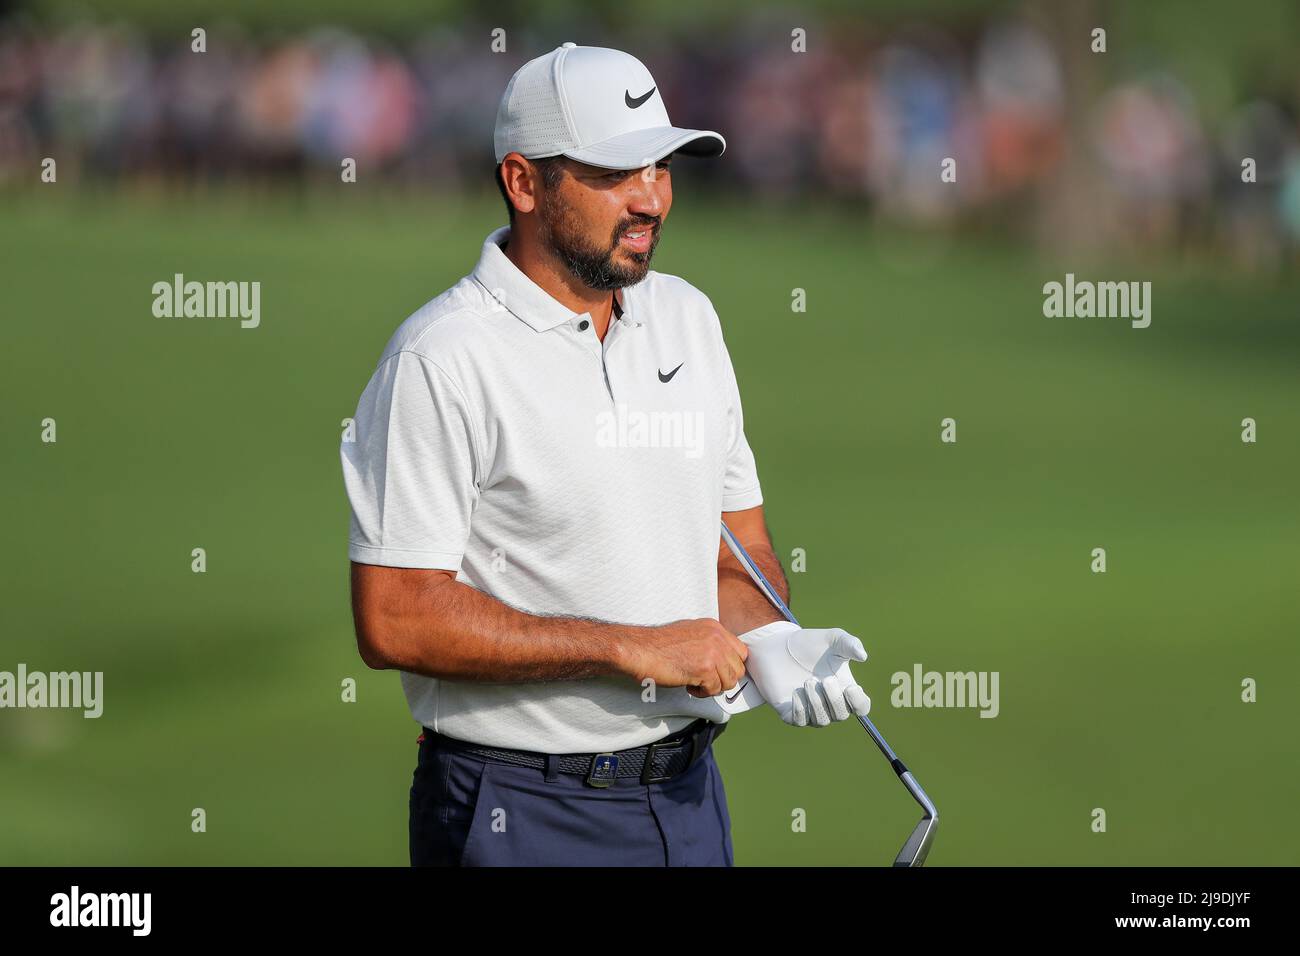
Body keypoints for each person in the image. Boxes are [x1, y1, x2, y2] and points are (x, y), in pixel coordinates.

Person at [341, 43, 872, 867]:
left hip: (689, 800)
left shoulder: (688, 320)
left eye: (661, 166)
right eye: (616, 171)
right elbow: (395, 613)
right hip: (518, 807)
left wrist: (766, 635)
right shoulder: (442, 358)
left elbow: (738, 548)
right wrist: (629, 646)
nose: (652, 197)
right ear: (523, 182)